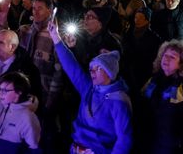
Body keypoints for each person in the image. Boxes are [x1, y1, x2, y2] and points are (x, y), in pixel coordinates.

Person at [48, 19, 133, 154]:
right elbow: (72, 67)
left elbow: (124, 140)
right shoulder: (89, 88)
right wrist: (56, 38)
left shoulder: (119, 101)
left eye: (98, 68)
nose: (92, 72)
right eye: (91, 68)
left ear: (109, 72)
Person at [141, 39, 183, 153]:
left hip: (171, 146)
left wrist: (180, 141)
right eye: (165, 55)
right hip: (150, 140)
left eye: (172, 57)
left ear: (182, 63)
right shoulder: (154, 80)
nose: (166, 59)